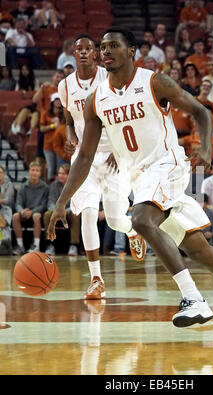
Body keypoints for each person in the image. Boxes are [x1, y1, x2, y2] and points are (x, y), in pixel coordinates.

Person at [47, 27, 213, 336]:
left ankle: (192, 298)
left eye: (113, 46)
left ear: (132, 50)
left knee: (142, 219)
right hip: (139, 178)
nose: (105, 51)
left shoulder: (154, 81)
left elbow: (200, 110)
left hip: (167, 166)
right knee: (200, 250)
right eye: (102, 47)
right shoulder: (96, 99)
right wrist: (62, 202)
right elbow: (83, 157)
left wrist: (206, 147)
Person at [57, 33, 147, 300]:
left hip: (114, 155)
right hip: (85, 158)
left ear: (96, 53)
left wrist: (120, 150)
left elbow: (122, 115)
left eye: (89, 49)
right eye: (79, 49)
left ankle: (132, 231)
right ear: (73, 53)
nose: (84, 53)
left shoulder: (108, 80)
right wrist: (71, 137)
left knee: (115, 219)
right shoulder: (65, 86)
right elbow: (69, 120)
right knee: (86, 212)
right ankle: (96, 278)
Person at [12, 161, 49, 255]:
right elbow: (18, 204)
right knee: (15, 216)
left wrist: (32, 212)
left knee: (36, 216)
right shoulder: (23, 186)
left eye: (37, 170)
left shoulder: (45, 187)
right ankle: (20, 246)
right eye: (33, 170)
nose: (34, 172)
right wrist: (22, 211)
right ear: (29, 171)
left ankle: (36, 245)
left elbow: (44, 205)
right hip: (25, 213)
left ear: (40, 173)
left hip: (37, 213)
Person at [43, 164, 80, 256]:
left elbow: (75, 203)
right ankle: (50, 244)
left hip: (69, 211)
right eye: (59, 173)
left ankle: (73, 245)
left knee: (76, 215)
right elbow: (50, 201)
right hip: (56, 211)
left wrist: (63, 211)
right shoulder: (53, 185)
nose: (60, 176)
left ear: (69, 175)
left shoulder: (74, 185)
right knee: (47, 214)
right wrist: (55, 211)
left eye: (63, 173)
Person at [40, 92, 64, 182]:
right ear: (52, 102)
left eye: (59, 100)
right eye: (56, 100)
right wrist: (52, 126)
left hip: (61, 144)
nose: (58, 102)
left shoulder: (64, 113)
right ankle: (50, 187)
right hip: (49, 145)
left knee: (60, 168)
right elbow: (41, 128)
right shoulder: (46, 113)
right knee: (51, 168)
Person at [0, 166, 14, 254]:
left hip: (6, 209)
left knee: (4, 225)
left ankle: (5, 243)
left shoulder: (9, 184)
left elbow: (8, 200)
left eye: (0, 172)